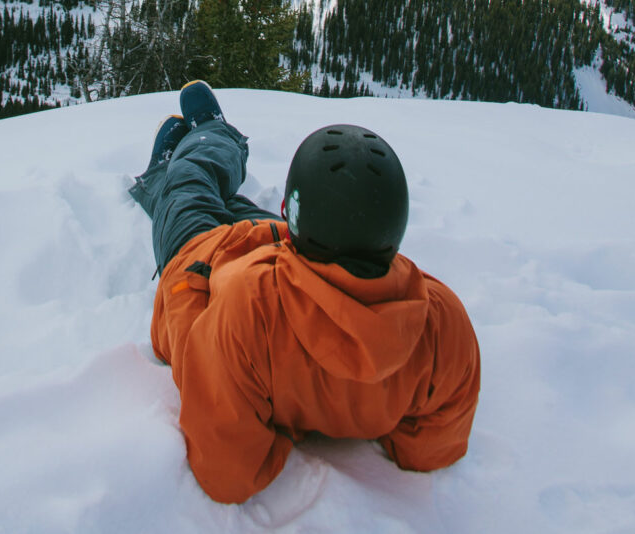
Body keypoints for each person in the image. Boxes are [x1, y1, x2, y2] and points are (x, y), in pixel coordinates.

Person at [129, 81, 481, 504]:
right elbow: (429, 449)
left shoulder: (249, 310)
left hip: (202, 271)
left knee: (189, 185)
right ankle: (189, 166)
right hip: (275, 250)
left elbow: (228, 472)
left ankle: (201, 146)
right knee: (226, 201)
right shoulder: (442, 325)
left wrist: (286, 421)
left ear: (291, 217)